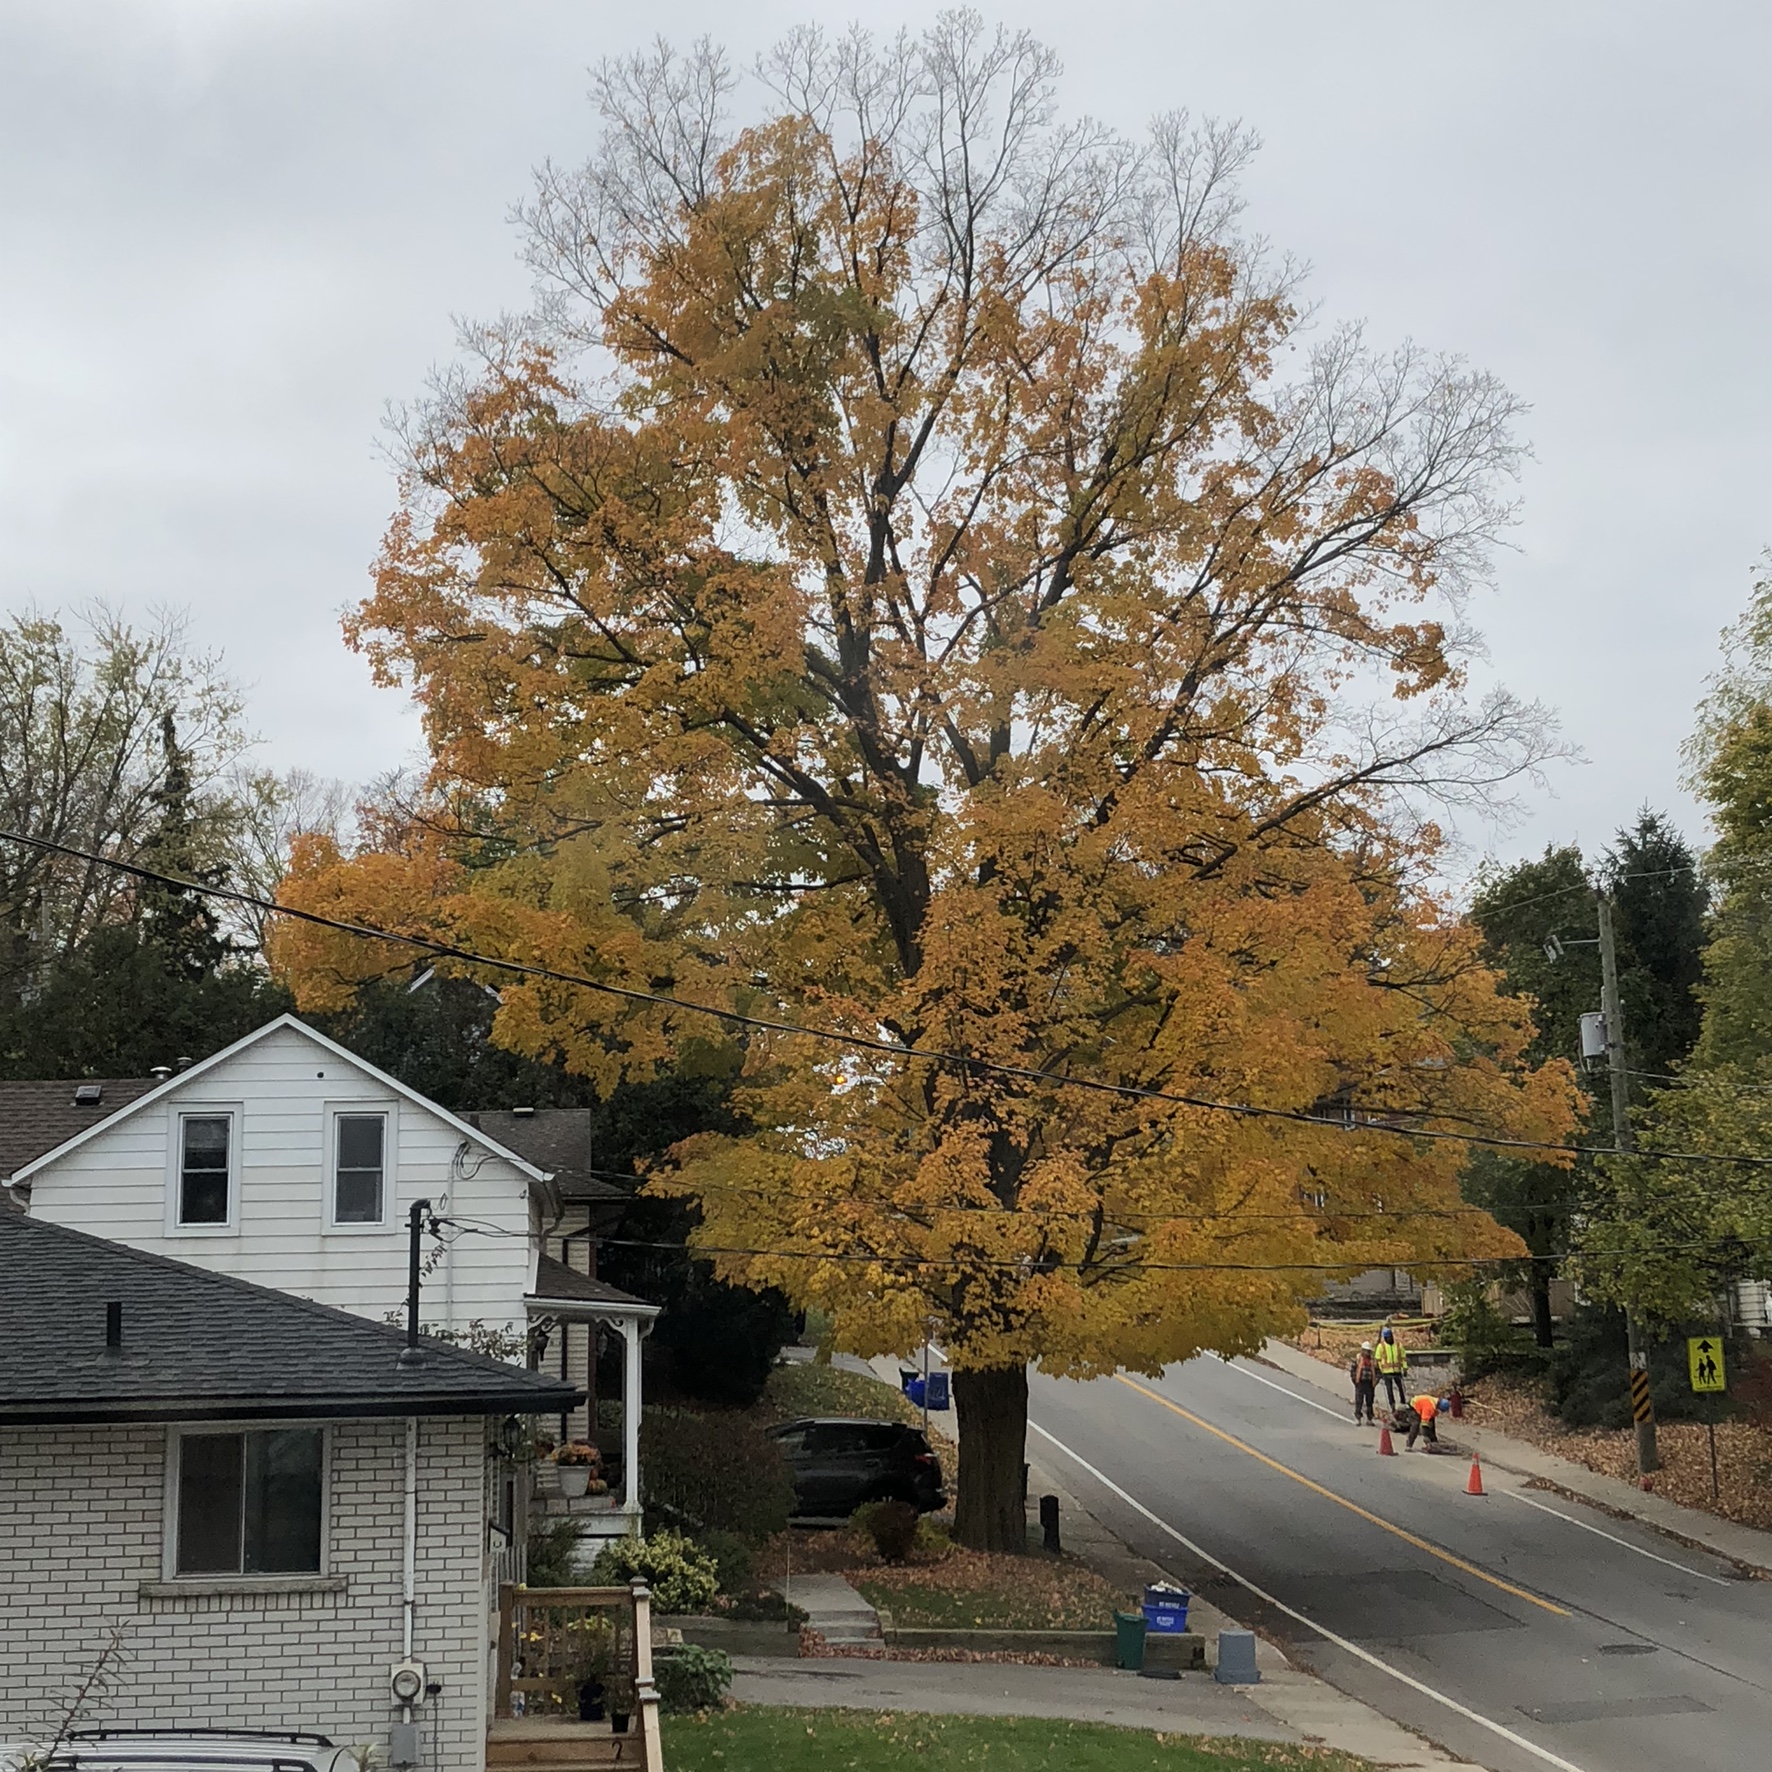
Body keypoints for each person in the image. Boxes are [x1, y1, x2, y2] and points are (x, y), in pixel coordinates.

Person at [1374, 1324, 1408, 1410]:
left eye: (1390, 1337)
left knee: (1401, 1388)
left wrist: (1405, 1368)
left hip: (1397, 1371)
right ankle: (1392, 1405)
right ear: (1385, 1338)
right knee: (1389, 1390)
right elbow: (1378, 1359)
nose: (1390, 1338)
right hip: (1386, 1372)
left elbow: (1403, 1357)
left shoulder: (1398, 1345)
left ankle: (1403, 1402)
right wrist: (1381, 1370)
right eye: (1388, 1337)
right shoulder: (1381, 1347)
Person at [1349, 1342, 1378, 1423]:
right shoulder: (1358, 1359)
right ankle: (1358, 1417)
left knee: (1369, 1402)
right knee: (1359, 1401)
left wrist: (1375, 1381)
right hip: (1360, 1383)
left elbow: (1378, 1372)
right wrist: (1355, 1381)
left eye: (1368, 1351)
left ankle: (1369, 1418)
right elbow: (1353, 1370)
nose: (1367, 1353)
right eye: (1365, 1350)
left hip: (1370, 1384)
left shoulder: (1373, 1361)